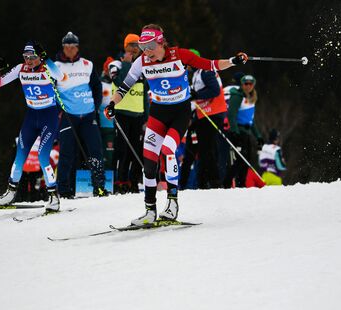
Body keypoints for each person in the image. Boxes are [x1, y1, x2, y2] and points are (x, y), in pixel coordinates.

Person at [105, 23, 248, 225]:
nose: (147, 52)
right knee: (149, 162)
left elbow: (211, 65)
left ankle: (172, 204)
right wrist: (112, 103)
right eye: (143, 47)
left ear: (161, 42)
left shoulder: (180, 55)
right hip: (158, 114)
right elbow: (124, 88)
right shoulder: (141, 62)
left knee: (168, 149)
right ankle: (150, 211)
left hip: (179, 113)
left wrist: (234, 61)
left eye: (150, 46)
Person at [0, 41, 66, 212]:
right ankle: (10, 193)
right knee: (20, 156)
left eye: (32, 57)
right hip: (31, 117)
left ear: (39, 57)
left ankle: (54, 196)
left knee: (42, 157)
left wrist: (46, 59)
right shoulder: (20, 69)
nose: (29, 60)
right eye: (26, 57)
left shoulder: (46, 68)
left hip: (49, 116)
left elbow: (60, 76)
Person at [54, 31, 107, 198]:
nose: (70, 49)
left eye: (73, 46)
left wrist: (96, 106)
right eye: (67, 46)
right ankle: (64, 190)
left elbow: (97, 87)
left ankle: (99, 187)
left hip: (88, 116)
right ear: (63, 47)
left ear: (77, 48)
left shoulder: (87, 65)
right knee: (67, 153)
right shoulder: (55, 66)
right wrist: (59, 109)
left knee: (95, 151)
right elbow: (51, 91)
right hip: (69, 116)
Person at [108, 34, 147, 194]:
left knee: (136, 150)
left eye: (137, 45)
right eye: (131, 45)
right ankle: (120, 181)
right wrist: (126, 64)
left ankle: (132, 181)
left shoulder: (143, 65)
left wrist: (146, 115)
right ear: (125, 46)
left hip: (138, 114)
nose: (134, 48)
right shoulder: (116, 64)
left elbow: (144, 91)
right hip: (122, 112)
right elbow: (119, 82)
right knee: (121, 150)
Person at [188, 48, 228, 189]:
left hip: (213, 113)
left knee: (207, 148)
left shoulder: (206, 71)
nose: (186, 66)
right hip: (203, 113)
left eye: (187, 63)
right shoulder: (197, 73)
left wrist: (196, 94)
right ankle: (204, 181)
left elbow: (214, 90)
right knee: (204, 148)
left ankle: (214, 182)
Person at [223, 74, 264, 188]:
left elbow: (251, 121)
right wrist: (235, 132)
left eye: (251, 84)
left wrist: (258, 136)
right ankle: (226, 183)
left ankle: (242, 185)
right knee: (240, 159)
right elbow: (231, 115)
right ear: (242, 84)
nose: (248, 86)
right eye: (246, 83)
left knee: (247, 161)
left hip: (246, 133)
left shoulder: (252, 98)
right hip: (238, 132)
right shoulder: (237, 96)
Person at [99, 57, 116, 171]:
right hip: (99, 124)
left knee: (110, 155)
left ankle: (111, 180)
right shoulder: (99, 83)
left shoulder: (117, 83)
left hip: (112, 126)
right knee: (99, 153)